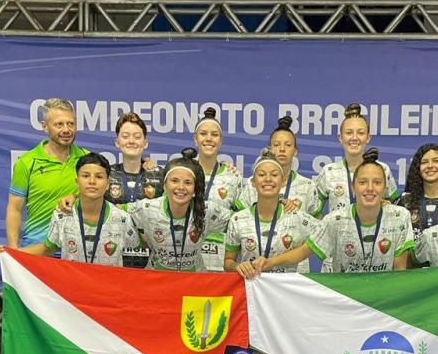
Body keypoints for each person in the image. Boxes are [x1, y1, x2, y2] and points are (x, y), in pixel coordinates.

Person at [265, 149, 412, 274]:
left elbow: (400, 270)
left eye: (377, 182)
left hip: (380, 301)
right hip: (345, 299)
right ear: (354, 188)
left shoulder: (400, 217)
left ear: (385, 188)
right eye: (362, 182)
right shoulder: (335, 220)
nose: (370, 188)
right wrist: (268, 263)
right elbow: (303, 251)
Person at [0, 153, 139, 266]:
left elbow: (141, 244)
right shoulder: (62, 216)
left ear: (108, 184)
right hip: (72, 295)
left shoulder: (122, 218)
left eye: (99, 177)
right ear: (77, 182)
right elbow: (47, 248)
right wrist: (12, 253)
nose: (92, 181)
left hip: (108, 293)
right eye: (86, 176)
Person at [129, 148, 232, 272]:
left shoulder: (207, 210)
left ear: (195, 189)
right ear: (164, 185)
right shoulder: (147, 208)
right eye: (174, 181)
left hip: (195, 281)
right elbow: (115, 212)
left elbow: (241, 221)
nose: (181, 187)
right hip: (156, 280)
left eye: (188, 182)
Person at [224, 148, 319, 278]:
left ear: (282, 181)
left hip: (287, 292)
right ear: (253, 182)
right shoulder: (238, 220)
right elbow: (228, 262)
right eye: (261, 175)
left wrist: (272, 262)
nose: (268, 179)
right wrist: (237, 266)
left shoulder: (297, 217)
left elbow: (321, 238)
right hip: (252, 292)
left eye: (274, 175)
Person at [6, 98, 88, 248]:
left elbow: (99, 199)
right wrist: (13, 249)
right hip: (37, 250)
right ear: (45, 127)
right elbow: (14, 209)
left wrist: (75, 196)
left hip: (77, 251)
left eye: (71, 124)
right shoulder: (27, 162)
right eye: (59, 124)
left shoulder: (87, 160)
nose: (66, 130)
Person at [314, 103, 399, 215]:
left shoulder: (382, 169)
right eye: (349, 133)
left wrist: (389, 208)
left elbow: (398, 206)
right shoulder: (329, 171)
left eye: (360, 133)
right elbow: (312, 209)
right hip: (339, 232)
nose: (354, 138)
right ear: (340, 137)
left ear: (368, 138)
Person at [106, 111, 163, 268]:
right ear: (117, 142)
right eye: (125, 136)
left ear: (145, 143)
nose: (131, 141)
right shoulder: (105, 174)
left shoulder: (159, 175)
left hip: (151, 261)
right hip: (114, 259)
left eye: (137, 137)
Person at [192, 108, 244, 271]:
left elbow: (241, 219)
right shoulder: (183, 173)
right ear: (195, 139)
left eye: (214, 135)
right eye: (203, 134)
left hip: (221, 258)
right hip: (189, 254)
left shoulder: (233, 177)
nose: (209, 139)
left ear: (220, 141)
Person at [402, 143, 438, 252]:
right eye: (424, 162)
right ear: (418, 168)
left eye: (436, 161)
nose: (430, 166)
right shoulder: (404, 201)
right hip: (412, 266)